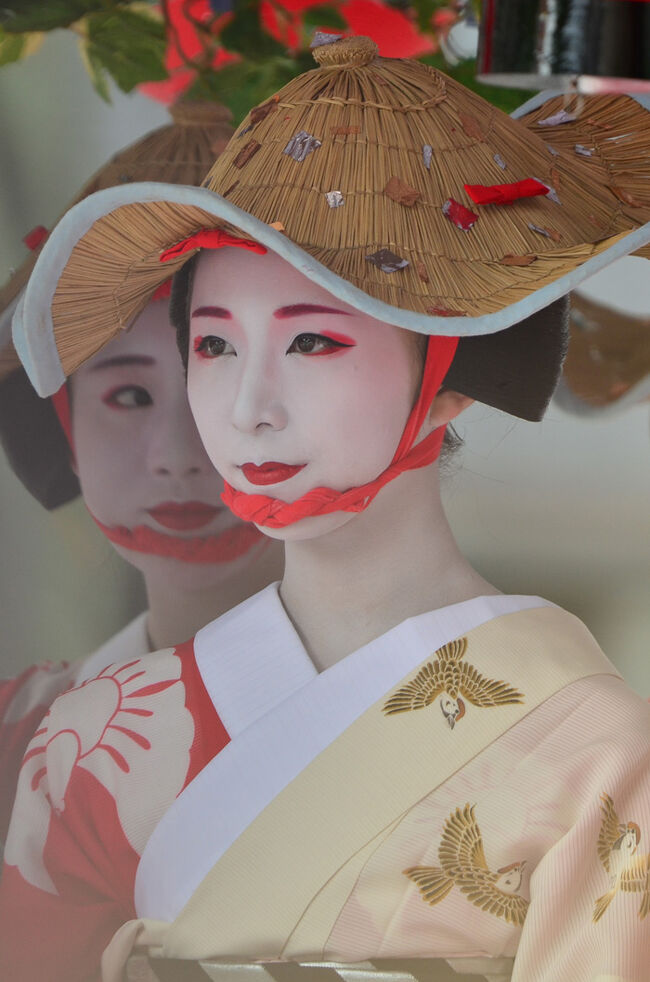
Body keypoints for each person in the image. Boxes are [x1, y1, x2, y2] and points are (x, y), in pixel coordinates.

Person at [2, 35, 650, 982]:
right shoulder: (94, 733)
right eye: (216, 347)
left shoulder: (596, 747)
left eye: (312, 344)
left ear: (448, 377)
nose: (247, 408)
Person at [0, 103, 283, 847]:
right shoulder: (14, 738)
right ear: (62, 429)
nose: (178, 455)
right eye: (128, 395)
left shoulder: (452, 708)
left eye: (218, 382)